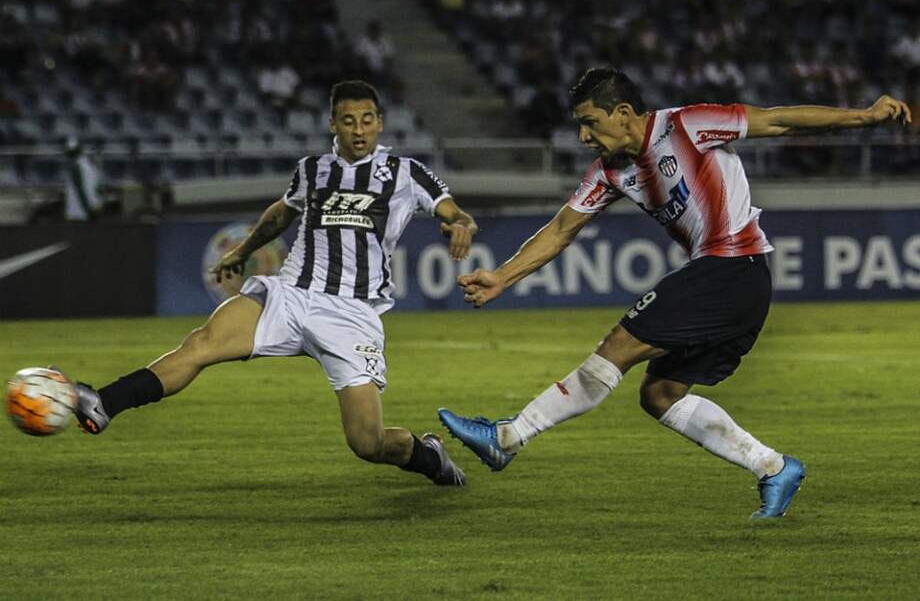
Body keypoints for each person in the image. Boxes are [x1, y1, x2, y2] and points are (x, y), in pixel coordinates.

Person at [438, 67, 912, 516]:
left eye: (590, 123)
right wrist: (503, 276)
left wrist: (864, 116)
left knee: (616, 348)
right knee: (660, 393)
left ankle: (508, 437)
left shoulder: (687, 126)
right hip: (728, 281)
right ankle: (773, 466)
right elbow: (562, 229)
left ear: (623, 113)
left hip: (733, 267)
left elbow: (778, 120)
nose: (584, 137)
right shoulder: (611, 171)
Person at [70, 80, 477, 486]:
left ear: (380, 124)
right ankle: (105, 403)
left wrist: (460, 226)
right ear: (332, 124)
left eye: (367, 120)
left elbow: (456, 213)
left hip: (349, 314)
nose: (358, 130)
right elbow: (280, 215)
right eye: (349, 121)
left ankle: (428, 456)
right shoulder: (311, 170)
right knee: (200, 345)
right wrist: (243, 251)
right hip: (290, 294)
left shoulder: (407, 174)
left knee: (367, 443)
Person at [63, 136, 104, 221]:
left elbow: (81, 190)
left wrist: (88, 210)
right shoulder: (86, 164)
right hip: (88, 210)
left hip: (83, 213)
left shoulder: (78, 166)